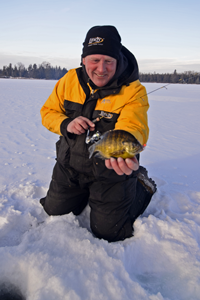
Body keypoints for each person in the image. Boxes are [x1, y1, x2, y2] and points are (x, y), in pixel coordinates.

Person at [40, 25, 156, 242]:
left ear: (118, 59)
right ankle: (84, 192)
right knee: (53, 211)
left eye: (108, 61)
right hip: (70, 167)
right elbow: (48, 112)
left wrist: (127, 141)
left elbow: (135, 125)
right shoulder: (69, 80)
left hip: (110, 172)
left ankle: (141, 184)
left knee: (109, 231)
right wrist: (66, 123)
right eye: (95, 60)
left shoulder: (133, 90)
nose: (101, 68)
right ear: (83, 59)